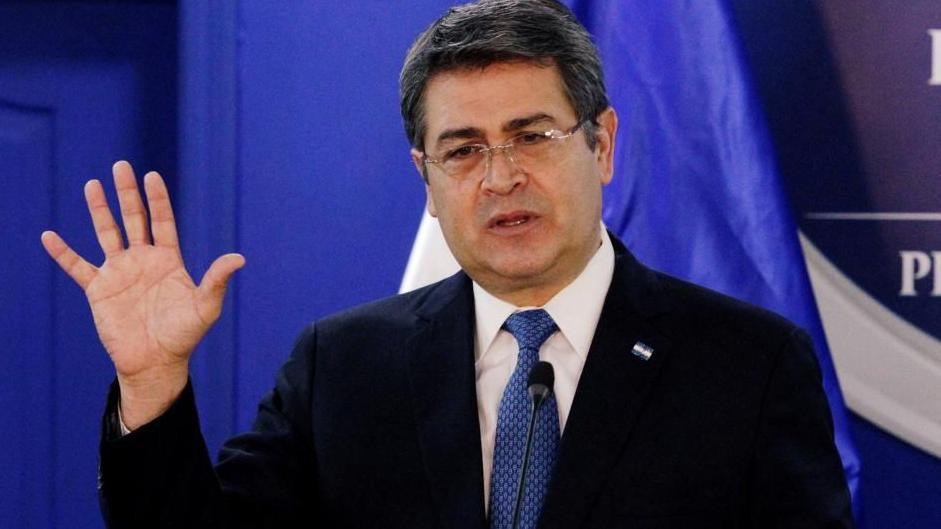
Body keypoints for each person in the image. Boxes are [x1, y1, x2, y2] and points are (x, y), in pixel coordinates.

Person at [41, 0, 854, 527]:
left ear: (601, 144)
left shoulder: (746, 363)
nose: (500, 176)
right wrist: (153, 383)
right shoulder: (343, 366)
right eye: (462, 150)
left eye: (532, 135)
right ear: (424, 180)